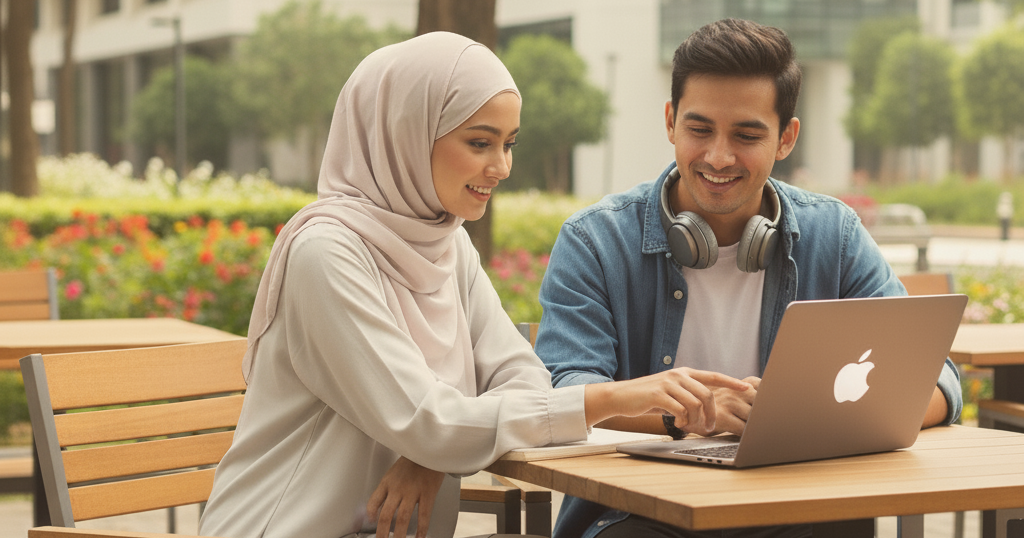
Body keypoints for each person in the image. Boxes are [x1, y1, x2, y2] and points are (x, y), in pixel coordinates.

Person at [198, 32, 750, 538]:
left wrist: (430, 454)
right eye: (480, 143)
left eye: (509, 143)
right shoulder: (326, 253)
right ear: (406, 133)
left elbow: (520, 379)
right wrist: (612, 397)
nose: (502, 166)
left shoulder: (445, 243)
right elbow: (428, 419)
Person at [535, 18, 963, 538]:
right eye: (699, 129)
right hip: (641, 516)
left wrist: (799, 418)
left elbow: (936, 380)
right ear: (670, 121)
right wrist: (689, 414)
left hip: (794, 506)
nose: (718, 156)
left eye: (746, 134)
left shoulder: (837, 235)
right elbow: (566, 394)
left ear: (786, 138)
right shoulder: (594, 241)